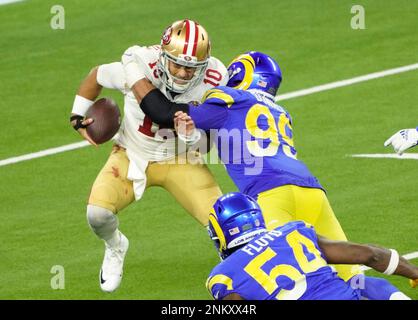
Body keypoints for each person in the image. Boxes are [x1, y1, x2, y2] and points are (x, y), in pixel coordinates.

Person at [136, 51, 360, 281]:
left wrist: (135, 76)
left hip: (271, 193)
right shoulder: (280, 112)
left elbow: (164, 113)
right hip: (312, 191)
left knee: (280, 280)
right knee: (351, 274)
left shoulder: (229, 101)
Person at [70, 19, 228, 292]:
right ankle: (116, 246)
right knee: (97, 214)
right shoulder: (141, 65)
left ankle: (239, 276)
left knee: (224, 224)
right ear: (163, 57)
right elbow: (97, 75)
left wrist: (193, 136)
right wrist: (77, 114)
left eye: (191, 68)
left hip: (182, 158)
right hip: (131, 153)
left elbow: (210, 143)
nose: (181, 73)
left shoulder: (215, 80)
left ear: (204, 66)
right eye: (176, 64)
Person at [205, 192, 418, 300]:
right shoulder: (294, 232)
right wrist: (414, 272)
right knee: (359, 282)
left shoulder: (224, 276)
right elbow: (371, 255)